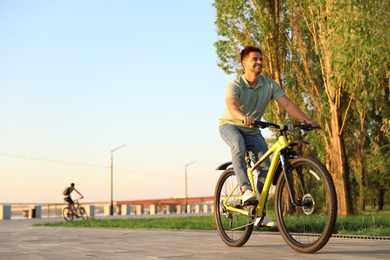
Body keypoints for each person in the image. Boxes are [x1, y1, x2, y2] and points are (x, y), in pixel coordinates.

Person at [219, 46, 319, 227]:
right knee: (238, 144)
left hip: (253, 130)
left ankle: (258, 213)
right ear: (244, 63)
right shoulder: (235, 85)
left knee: (266, 168)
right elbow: (232, 106)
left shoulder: (270, 85)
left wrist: (306, 120)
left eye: (260, 59)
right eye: (254, 59)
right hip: (231, 125)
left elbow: (287, 104)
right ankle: (245, 190)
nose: (259, 62)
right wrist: (243, 117)